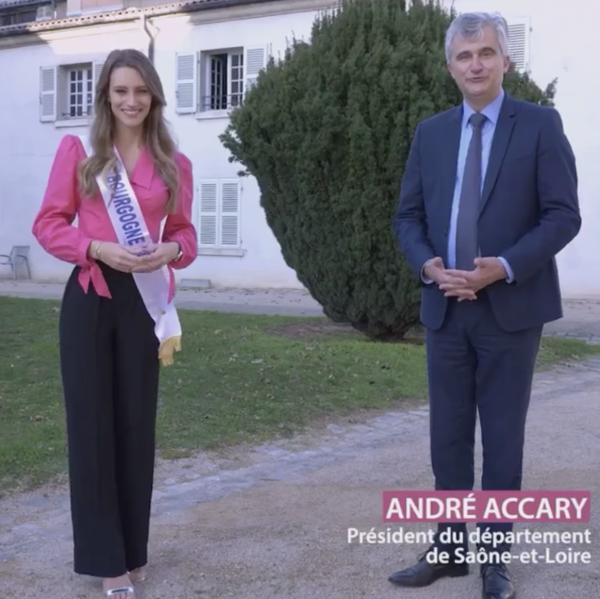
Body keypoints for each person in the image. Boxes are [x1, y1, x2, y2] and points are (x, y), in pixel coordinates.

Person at [389, 11, 580, 599]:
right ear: (451, 67)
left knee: (501, 440)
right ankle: (449, 548)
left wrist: (503, 267)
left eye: (486, 53)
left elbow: (563, 215)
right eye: (465, 56)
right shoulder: (432, 133)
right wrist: (427, 265)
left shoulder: (541, 125)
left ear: (505, 60)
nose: (475, 64)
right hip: (445, 308)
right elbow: (409, 217)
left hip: (510, 308)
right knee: (447, 436)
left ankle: (494, 558)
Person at [32, 49, 197, 598]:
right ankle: (107, 561)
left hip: (142, 304)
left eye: (141, 91)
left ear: (153, 98)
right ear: (106, 94)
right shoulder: (81, 153)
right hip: (90, 298)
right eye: (121, 90)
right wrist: (96, 246)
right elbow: (49, 224)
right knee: (92, 431)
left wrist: (168, 248)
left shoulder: (174, 163)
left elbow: (187, 237)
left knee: (134, 427)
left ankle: (133, 550)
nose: (131, 101)